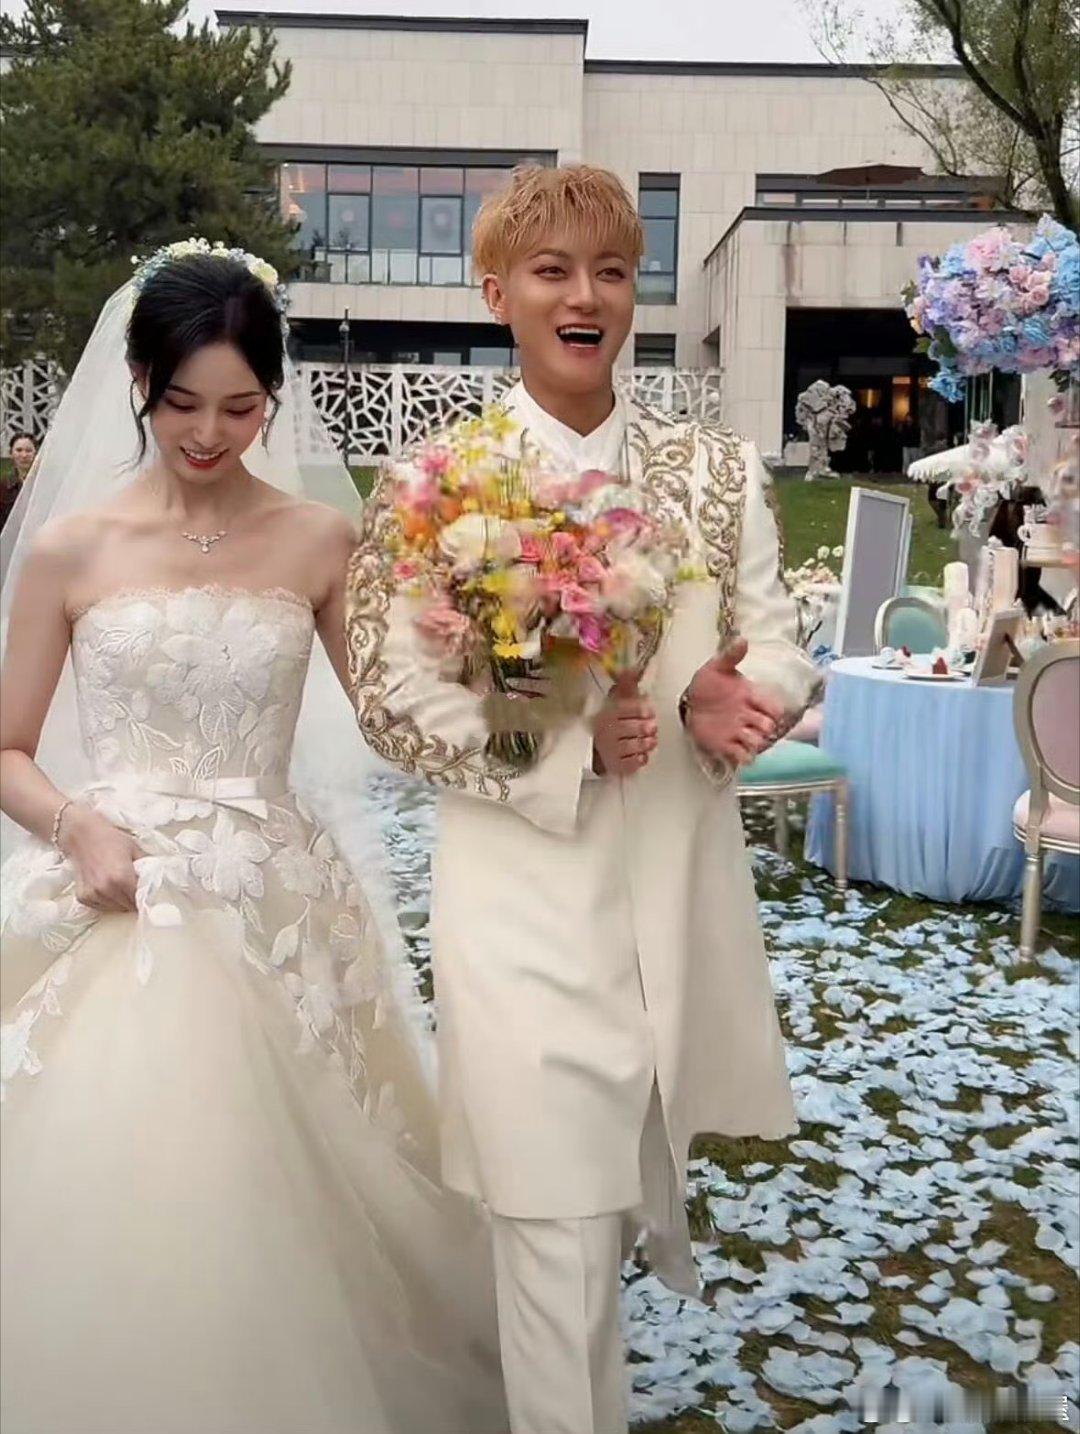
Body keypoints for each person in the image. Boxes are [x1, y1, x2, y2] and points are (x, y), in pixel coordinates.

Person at [0, 245, 506, 1434]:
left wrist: (481, 657)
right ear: (138, 381)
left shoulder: (322, 539)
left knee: (296, 1171)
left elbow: (393, 718)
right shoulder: (71, 547)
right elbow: (7, 749)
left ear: (273, 399)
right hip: (116, 885)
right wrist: (78, 826)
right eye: (183, 403)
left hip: (278, 896)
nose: (209, 434)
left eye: (240, 407)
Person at [347, 164, 819, 1434]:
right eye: (553, 272)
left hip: (672, 895)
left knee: (601, 1220)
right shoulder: (436, 484)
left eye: (612, 273)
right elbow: (390, 699)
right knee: (552, 1218)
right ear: (495, 292)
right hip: (519, 906)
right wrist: (559, 751)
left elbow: (777, 641)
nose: (586, 297)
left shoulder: (713, 471)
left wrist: (734, 699)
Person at [1, 431, 37, 530]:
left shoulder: (45, 484)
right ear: (11, 453)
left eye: (28, 450)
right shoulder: (3, 487)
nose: (24, 455)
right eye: (19, 450)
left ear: (36, 453)